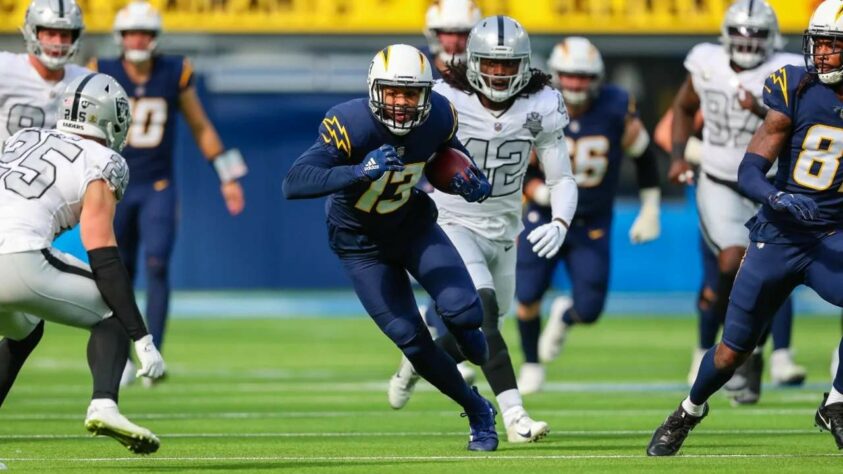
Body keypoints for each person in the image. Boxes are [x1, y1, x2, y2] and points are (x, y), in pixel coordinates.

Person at [647, 0, 843, 456]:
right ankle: (688, 411)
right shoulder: (796, 86)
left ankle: (835, 401)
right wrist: (777, 197)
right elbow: (750, 169)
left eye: (835, 46)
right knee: (732, 352)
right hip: (778, 233)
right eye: (822, 44)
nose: (824, 54)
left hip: (830, 235)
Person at [283, 44, 499, 452]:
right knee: (412, 340)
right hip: (361, 245)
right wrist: (357, 171)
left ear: (426, 95)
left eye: (411, 94)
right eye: (393, 92)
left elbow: (450, 154)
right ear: (374, 89)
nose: (401, 104)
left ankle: (469, 337)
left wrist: (471, 178)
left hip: (411, 227)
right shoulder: (349, 122)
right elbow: (294, 181)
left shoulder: (439, 115)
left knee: (466, 312)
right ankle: (477, 411)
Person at [388, 16, 577, 443]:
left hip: (504, 229)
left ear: (525, 66)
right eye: (490, 63)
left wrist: (561, 220)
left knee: (476, 329)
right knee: (485, 314)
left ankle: (417, 360)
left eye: (507, 65)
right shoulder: (445, 96)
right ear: (473, 62)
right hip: (450, 219)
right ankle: (514, 417)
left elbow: (561, 178)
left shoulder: (542, 103)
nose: (498, 73)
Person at [0, 73, 166, 454]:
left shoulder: (23, 138)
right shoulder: (104, 160)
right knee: (113, 310)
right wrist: (142, 338)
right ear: (111, 119)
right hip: (17, 256)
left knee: (24, 330)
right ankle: (104, 403)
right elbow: (102, 251)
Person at [88, 1, 247, 384]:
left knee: (157, 265)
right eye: (132, 33)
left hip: (157, 186)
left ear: (156, 38)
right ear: (120, 38)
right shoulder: (99, 71)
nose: (139, 40)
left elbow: (201, 126)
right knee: (116, 271)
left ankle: (152, 351)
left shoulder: (175, 71)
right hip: (112, 186)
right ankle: (121, 356)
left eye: (145, 33)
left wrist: (228, 176)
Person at [665, 0, 805, 403]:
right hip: (719, 178)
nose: (748, 41)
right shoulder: (705, 62)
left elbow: (800, 120)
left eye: (757, 34)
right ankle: (726, 348)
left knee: (771, 274)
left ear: (771, 37)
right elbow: (683, 105)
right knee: (731, 260)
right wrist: (677, 157)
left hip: (770, 183)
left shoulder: (787, 69)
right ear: (726, 34)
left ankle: (753, 350)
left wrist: (761, 108)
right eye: (742, 33)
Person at [514, 37, 662, 394]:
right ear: (555, 75)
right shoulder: (535, 105)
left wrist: (651, 207)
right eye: (570, 75)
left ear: (596, 78)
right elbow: (513, 165)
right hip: (543, 215)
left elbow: (643, 155)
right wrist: (539, 193)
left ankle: (565, 316)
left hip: (591, 220)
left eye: (584, 76)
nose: (577, 84)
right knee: (528, 294)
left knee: (590, 309)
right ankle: (532, 363)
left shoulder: (613, 107)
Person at [655, 109, 807, 390]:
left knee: (778, 271)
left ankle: (779, 355)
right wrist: (712, 154)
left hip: (768, 187)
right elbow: (665, 132)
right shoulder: (712, 77)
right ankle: (704, 352)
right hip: (719, 190)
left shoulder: (781, 81)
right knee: (719, 277)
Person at [1, 0, 90, 144]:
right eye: (50, 33)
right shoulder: (5, 69)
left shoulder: (85, 81)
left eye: (65, 34)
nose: (58, 43)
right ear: (32, 33)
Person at [422, 0, 481, 78]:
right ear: (434, 34)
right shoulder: (417, 63)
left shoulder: (486, 69)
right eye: (448, 33)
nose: (455, 40)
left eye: (462, 33)